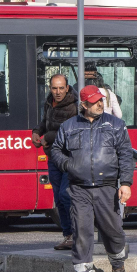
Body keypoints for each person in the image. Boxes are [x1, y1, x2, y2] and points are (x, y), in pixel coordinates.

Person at [52, 85, 135, 272]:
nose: (100, 104)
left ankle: (117, 262)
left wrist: (125, 183)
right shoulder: (69, 126)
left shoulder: (115, 124)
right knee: (82, 231)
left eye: (101, 100)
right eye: (95, 101)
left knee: (113, 230)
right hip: (79, 188)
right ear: (84, 104)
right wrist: (67, 165)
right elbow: (56, 150)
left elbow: (126, 154)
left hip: (106, 187)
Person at [32, 74, 79, 250]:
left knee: (66, 196)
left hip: (69, 157)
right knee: (58, 198)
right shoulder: (49, 101)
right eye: (54, 88)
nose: (57, 92)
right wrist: (36, 131)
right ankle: (68, 236)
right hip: (53, 157)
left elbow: (67, 131)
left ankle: (76, 234)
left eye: (61, 88)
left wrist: (47, 137)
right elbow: (46, 121)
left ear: (67, 88)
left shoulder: (74, 107)